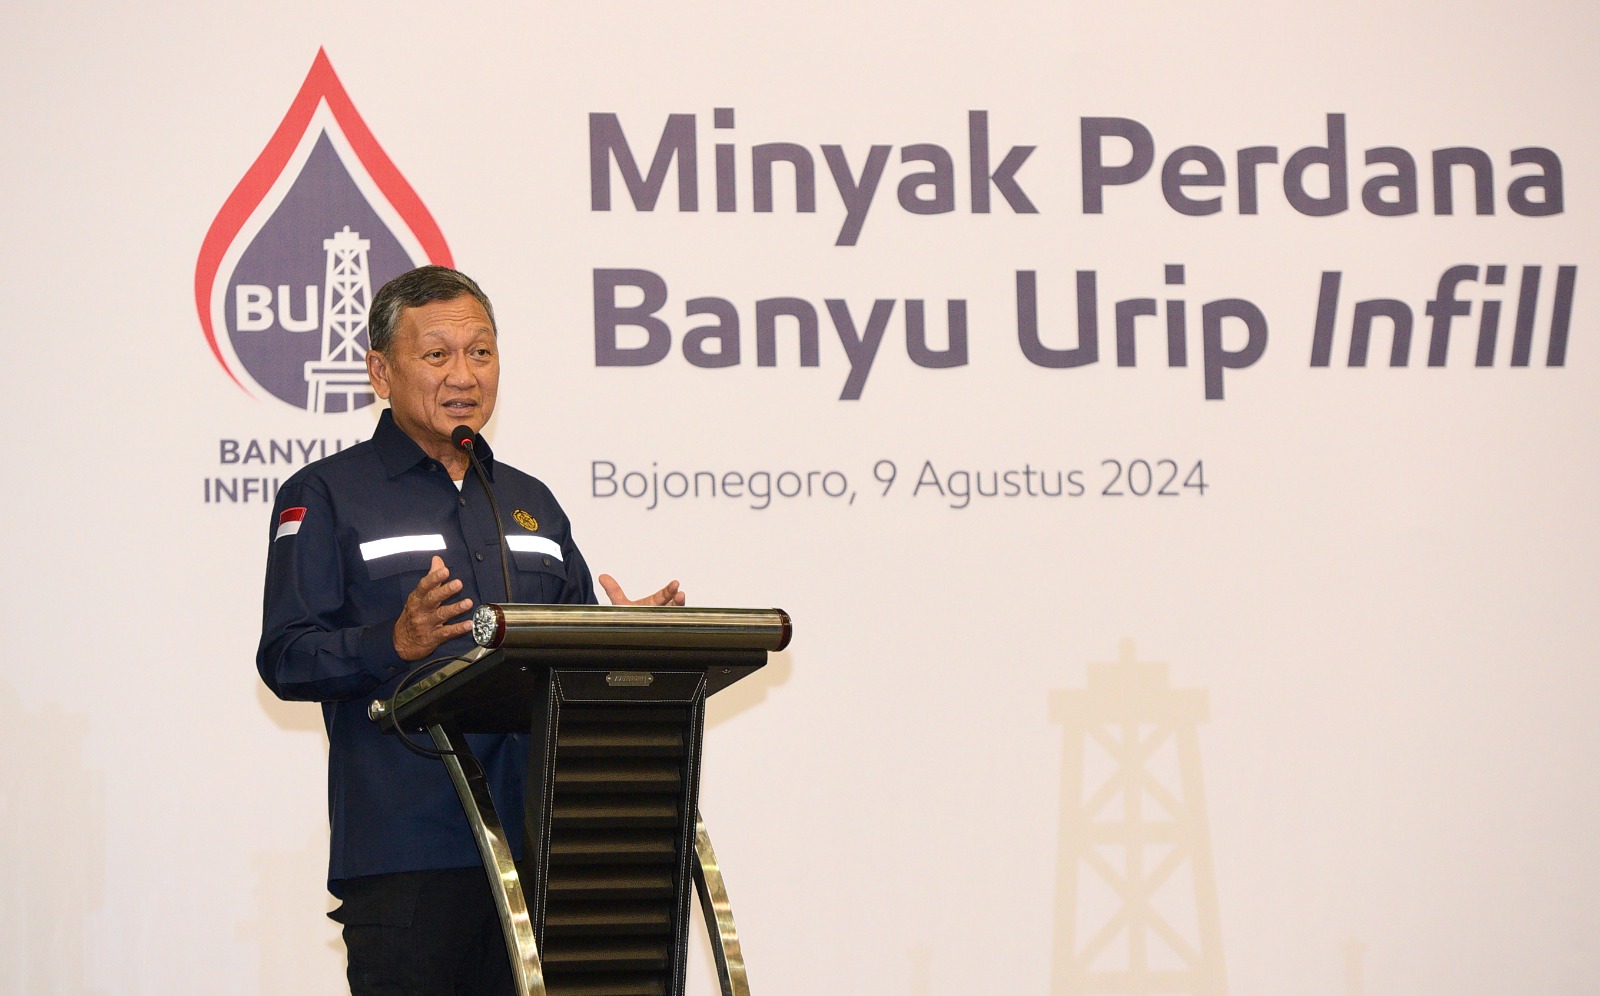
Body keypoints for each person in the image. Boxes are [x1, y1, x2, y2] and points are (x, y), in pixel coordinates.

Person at [257, 265, 683, 995]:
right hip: (412, 856)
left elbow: (566, 653)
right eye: (437, 354)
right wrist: (391, 642)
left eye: (480, 352)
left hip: (545, 849)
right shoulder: (327, 494)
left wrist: (621, 640)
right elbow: (287, 657)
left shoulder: (528, 499)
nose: (464, 374)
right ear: (381, 372)